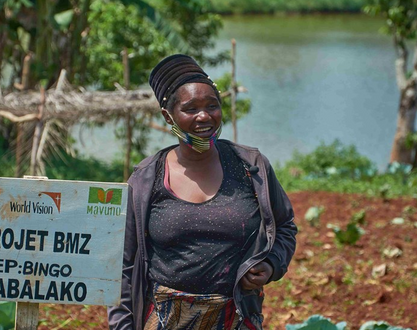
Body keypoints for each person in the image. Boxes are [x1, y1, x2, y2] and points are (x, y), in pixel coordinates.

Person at [108, 54, 297, 330]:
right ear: (167, 115)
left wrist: (270, 264)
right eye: (190, 108)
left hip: (235, 318)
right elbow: (124, 266)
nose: (204, 116)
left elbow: (285, 227)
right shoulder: (146, 180)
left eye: (212, 105)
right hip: (162, 320)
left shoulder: (251, 167)